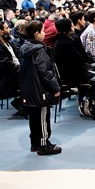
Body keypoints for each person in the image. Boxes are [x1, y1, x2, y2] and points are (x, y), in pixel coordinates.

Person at [19, 20, 62, 155]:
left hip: (30, 89)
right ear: (36, 33)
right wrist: (55, 88)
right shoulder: (38, 50)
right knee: (43, 116)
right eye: (43, 31)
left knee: (34, 117)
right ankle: (44, 144)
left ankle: (34, 143)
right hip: (40, 90)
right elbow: (46, 72)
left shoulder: (25, 47)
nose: (45, 33)